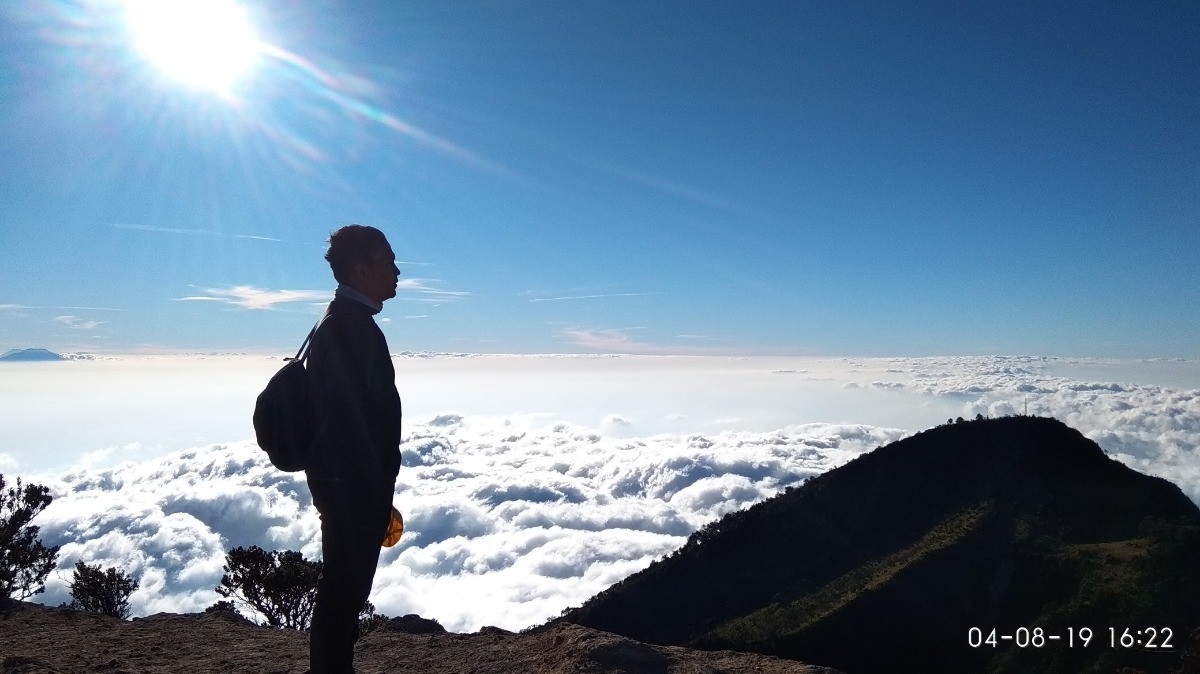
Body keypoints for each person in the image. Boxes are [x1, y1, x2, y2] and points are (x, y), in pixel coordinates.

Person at [305, 224, 403, 674]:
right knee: (345, 586)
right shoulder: (351, 330)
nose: (397, 271)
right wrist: (375, 491)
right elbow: (351, 422)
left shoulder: (342, 322)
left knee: (344, 584)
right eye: (388, 262)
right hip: (351, 486)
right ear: (361, 271)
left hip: (344, 482)